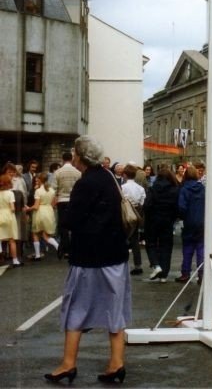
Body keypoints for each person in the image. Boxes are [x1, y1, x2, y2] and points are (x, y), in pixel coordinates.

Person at [45, 135, 131, 384]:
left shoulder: (86, 183)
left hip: (89, 256)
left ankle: (68, 363)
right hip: (115, 253)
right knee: (115, 310)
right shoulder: (109, 177)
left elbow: (72, 219)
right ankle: (116, 363)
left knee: (76, 308)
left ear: (79, 157)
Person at [143, 166, 179, 282]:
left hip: (153, 220)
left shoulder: (153, 188)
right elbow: (176, 207)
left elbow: (147, 205)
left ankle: (156, 265)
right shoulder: (174, 189)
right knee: (166, 246)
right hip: (168, 221)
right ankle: (164, 274)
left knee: (151, 243)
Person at [176, 165, 205, 283]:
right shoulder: (202, 188)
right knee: (201, 248)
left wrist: (182, 216)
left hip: (189, 221)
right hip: (201, 221)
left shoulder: (184, 189)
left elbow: (181, 207)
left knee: (187, 248)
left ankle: (185, 273)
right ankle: (201, 273)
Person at [25, 172, 59, 260]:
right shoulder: (51, 190)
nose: (36, 180)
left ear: (40, 180)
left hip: (40, 212)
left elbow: (36, 206)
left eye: (37, 178)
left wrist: (28, 209)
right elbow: (54, 203)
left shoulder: (38, 191)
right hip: (49, 211)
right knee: (45, 234)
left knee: (35, 233)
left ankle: (37, 255)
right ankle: (58, 247)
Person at [54, 152, 81, 259]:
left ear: (62, 159)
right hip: (74, 200)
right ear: (72, 159)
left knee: (63, 225)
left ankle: (65, 249)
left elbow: (54, 188)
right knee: (75, 225)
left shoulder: (58, 172)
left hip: (61, 200)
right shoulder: (77, 172)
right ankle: (75, 247)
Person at [121, 164, 146, 276]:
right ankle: (138, 265)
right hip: (136, 212)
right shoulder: (140, 188)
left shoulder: (122, 187)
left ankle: (122, 263)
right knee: (135, 239)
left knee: (123, 238)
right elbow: (142, 202)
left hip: (126, 212)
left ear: (125, 175)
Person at [0, 173, 22, 267]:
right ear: (8, 183)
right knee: (12, 240)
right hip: (9, 215)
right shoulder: (10, 193)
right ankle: (15, 261)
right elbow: (12, 208)